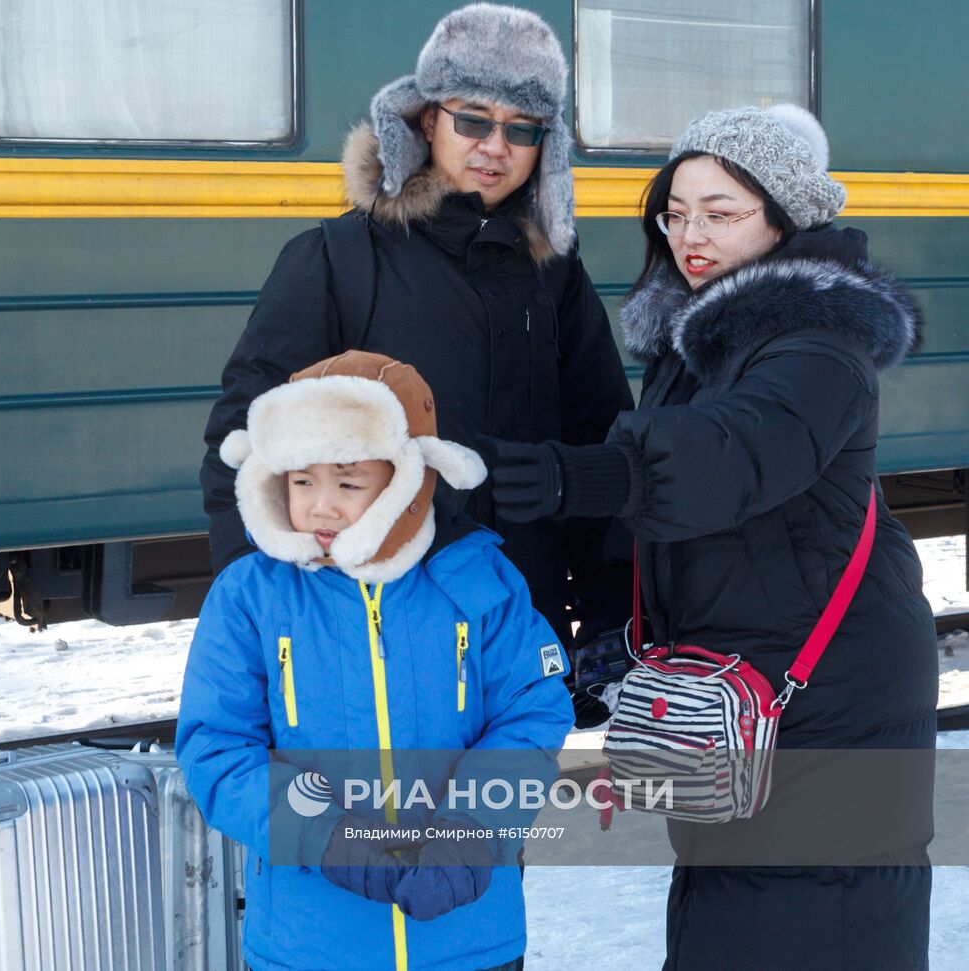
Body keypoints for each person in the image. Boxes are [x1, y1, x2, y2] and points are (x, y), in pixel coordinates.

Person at [486, 104, 939, 970]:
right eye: (676, 211)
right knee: (732, 905)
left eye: (721, 212)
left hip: (832, 701)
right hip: (749, 691)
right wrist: (626, 631)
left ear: (784, 217)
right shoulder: (701, 338)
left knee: (810, 922)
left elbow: (735, 452)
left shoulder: (822, 337)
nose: (691, 234)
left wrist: (582, 474)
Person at [200, 3, 634, 670]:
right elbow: (243, 442)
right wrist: (257, 605)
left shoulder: (555, 275)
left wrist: (608, 611)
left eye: (523, 128)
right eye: (473, 120)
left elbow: (598, 435)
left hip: (519, 629)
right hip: (370, 637)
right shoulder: (337, 259)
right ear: (426, 119)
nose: (496, 147)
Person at [177, 351, 574, 971]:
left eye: (348, 482)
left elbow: (533, 714)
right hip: (309, 945)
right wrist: (328, 838)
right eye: (301, 482)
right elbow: (218, 750)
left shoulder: (478, 580)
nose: (322, 507)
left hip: (468, 941)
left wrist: (472, 828)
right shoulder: (249, 596)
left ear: (407, 479)